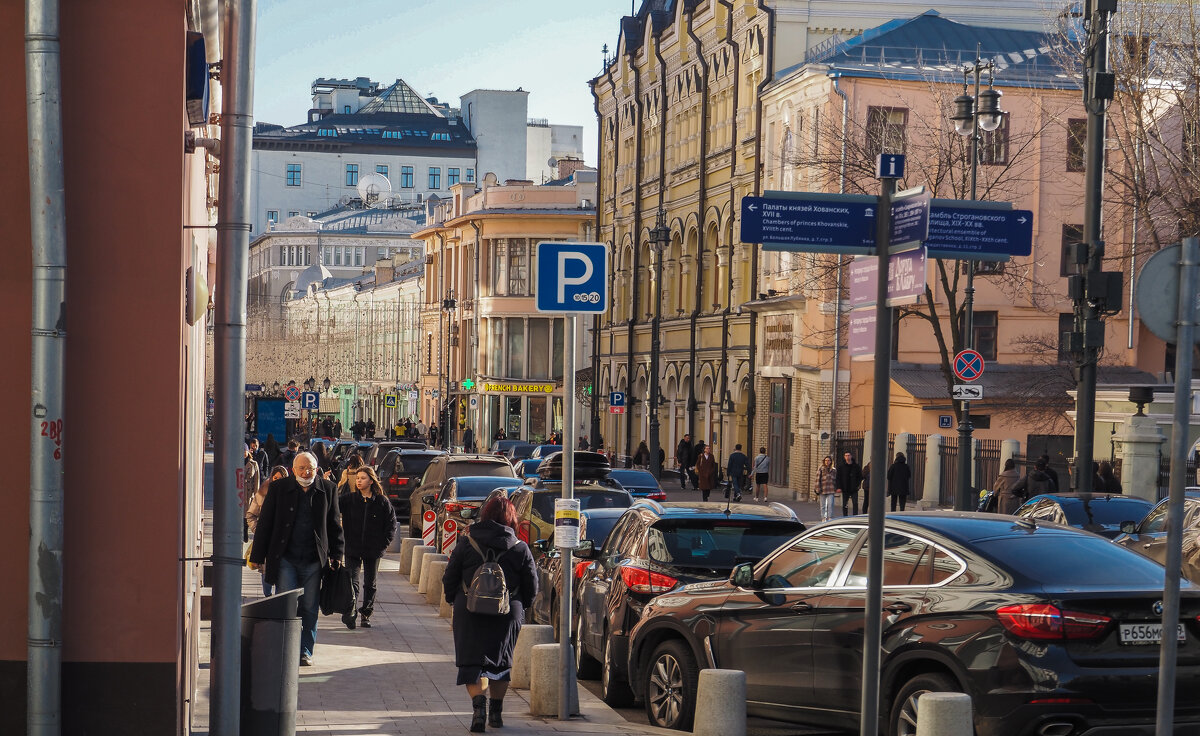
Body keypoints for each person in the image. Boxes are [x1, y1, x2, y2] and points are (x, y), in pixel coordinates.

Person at [442, 495, 537, 732]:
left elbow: (450, 576)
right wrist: (520, 605)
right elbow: (532, 586)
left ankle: (478, 710)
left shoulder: (467, 542)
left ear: (484, 515)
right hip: (507, 611)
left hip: (469, 609)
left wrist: (454, 600)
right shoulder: (520, 547)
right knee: (501, 663)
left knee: (472, 662)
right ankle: (496, 714)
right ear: (512, 518)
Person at [248, 451, 344, 667]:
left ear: (316, 468)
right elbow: (266, 524)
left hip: (313, 560)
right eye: (301, 468)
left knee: (310, 606)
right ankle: (285, 647)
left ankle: (304, 651)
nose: (306, 472)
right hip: (286, 559)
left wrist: (337, 554)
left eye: (310, 468)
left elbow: (334, 524)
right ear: (293, 470)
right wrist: (257, 556)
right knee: (287, 604)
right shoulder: (279, 489)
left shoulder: (328, 489)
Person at [338, 466, 396, 629]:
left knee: (370, 583)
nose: (359, 481)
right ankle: (351, 611)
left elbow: (391, 524)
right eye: (357, 478)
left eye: (363, 478)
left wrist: (383, 543)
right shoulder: (349, 499)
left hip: (373, 549)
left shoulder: (381, 501)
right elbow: (332, 508)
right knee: (351, 581)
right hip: (353, 548)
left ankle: (366, 613)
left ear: (371, 481)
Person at [247, 465, 289, 596]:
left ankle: (278, 599)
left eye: (281, 478)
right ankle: (268, 596)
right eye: (275, 478)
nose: (278, 481)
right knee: (266, 572)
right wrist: (258, 530)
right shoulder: (263, 492)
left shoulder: (290, 494)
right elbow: (250, 514)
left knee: (283, 572)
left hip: (284, 540)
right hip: (267, 540)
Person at [836, 451, 863, 516]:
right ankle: (845, 516)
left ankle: (855, 516)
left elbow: (860, 476)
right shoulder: (841, 467)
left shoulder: (856, 466)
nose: (847, 457)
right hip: (845, 488)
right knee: (845, 504)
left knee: (855, 503)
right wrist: (839, 487)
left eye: (848, 455)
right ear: (844, 457)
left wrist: (857, 484)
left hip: (854, 488)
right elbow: (838, 477)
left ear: (851, 456)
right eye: (846, 456)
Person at [815, 455, 838, 521]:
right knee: (823, 505)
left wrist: (836, 487)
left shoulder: (834, 470)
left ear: (831, 462)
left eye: (828, 460)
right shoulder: (821, 469)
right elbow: (817, 479)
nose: (827, 462)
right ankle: (823, 517)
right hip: (822, 489)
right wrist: (817, 488)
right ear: (824, 461)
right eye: (826, 460)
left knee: (830, 504)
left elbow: (836, 479)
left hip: (831, 489)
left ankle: (830, 517)